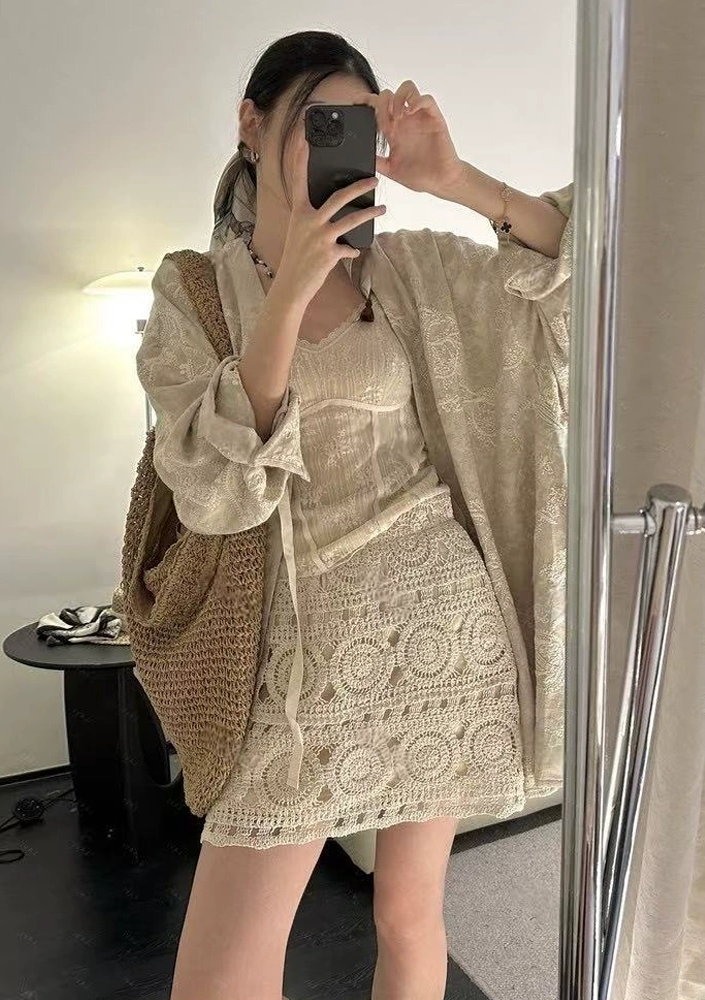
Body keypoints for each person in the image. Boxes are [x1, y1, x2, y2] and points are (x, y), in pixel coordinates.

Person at [136, 29, 571, 1000]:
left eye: (356, 129)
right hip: (296, 668)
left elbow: (579, 273)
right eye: (316, 123)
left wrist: (455, 180)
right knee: (221, 974)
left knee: (408, 918)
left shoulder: (408, 274)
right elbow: (211, 482)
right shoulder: (195, 289)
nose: (338, 146)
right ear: (251, 125)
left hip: (444, 639)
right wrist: (289, 291)